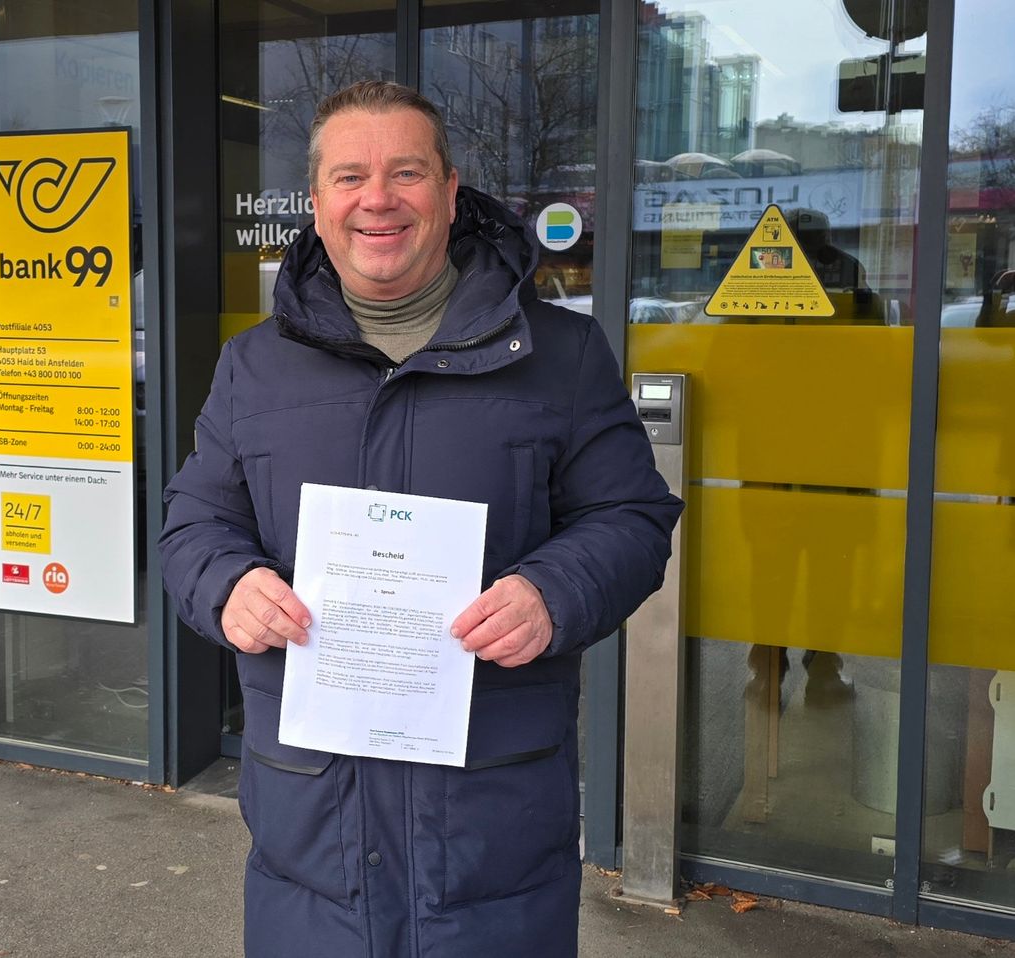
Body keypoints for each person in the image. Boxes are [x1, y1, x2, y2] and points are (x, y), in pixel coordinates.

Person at [159, 80, 682, 958]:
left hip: (492, 838)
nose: (378, 198)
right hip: (311, 841)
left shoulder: (561, 355)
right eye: (351, 175)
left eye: (406, 172)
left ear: (448, 191)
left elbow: (630, 515)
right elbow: (191, 525)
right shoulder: (254, 366)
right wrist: (228, 586)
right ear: (318, 203)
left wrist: (553, 591)